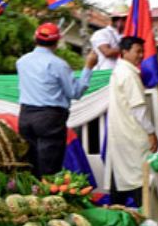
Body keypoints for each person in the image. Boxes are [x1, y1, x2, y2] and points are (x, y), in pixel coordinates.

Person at [16, 22, 98, 177]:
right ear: (57, 42)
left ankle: (29, 199)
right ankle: (47, 199)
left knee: (29, 166)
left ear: (35, 38)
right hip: (49, 118)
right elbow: (75, 92)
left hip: (26, 116)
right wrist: (88, 67)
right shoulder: (58, 65)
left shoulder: (22, 62)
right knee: (49, 169)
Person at [105, 35, 158, 207]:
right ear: (125, 52)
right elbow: (139, 109)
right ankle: (145, 220)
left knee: (121, 178)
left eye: (142, 51)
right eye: (138, 51)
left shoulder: (118, 72)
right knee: (139, 180)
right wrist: (151, 133)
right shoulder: (128, 74)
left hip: (121, 136)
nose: (141, 55)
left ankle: (116, 215)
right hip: (133, 135)